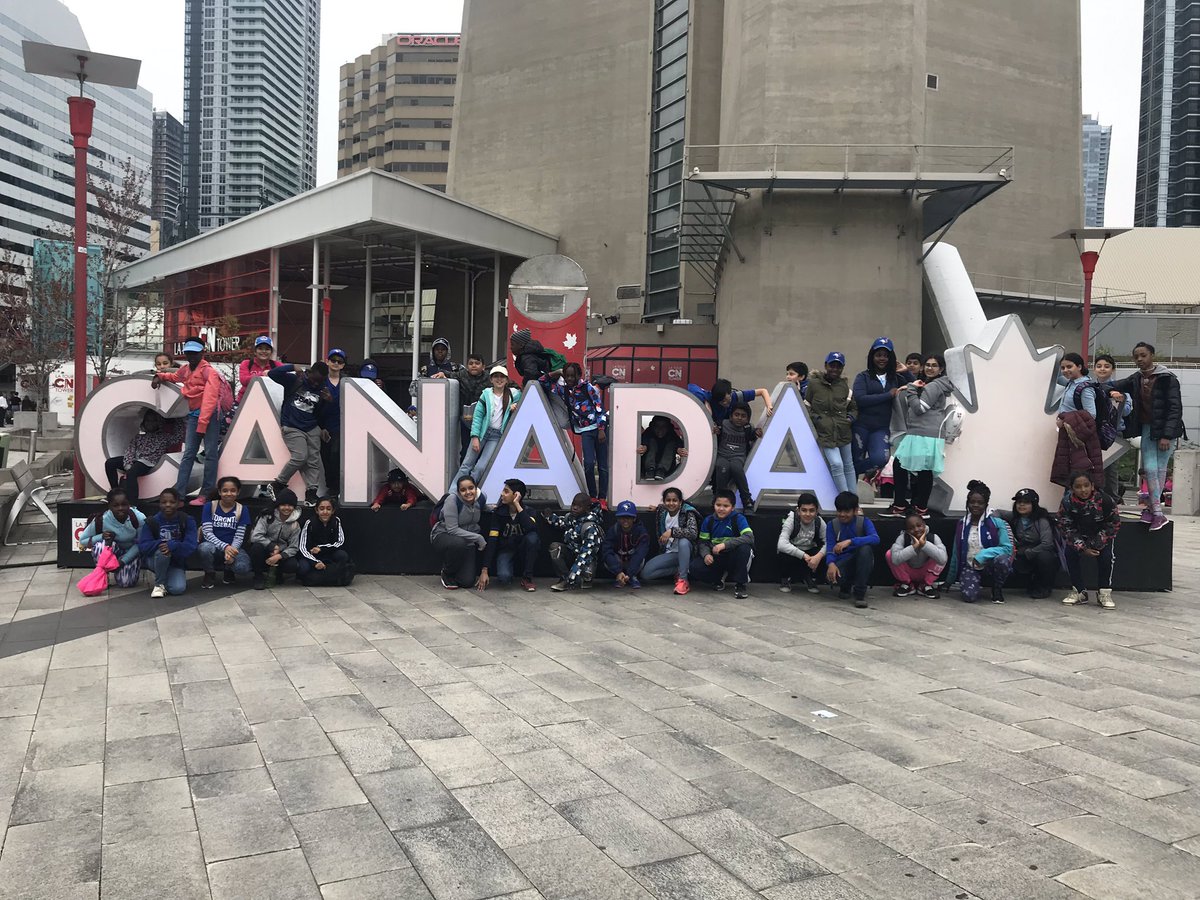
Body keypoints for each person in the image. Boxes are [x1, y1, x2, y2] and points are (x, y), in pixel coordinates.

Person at [1108, 342, 1184, 531]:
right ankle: (1156, 513)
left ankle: (1155, 511)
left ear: (1152, 355)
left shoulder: (1167, 378)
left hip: (1165, 431)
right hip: (1148, 429)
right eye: (1136, 357)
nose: (1140, 359)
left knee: (1159, 469)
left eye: (1143, 355)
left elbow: (1175, 408)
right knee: (1150, 469)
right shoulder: (1137, 378)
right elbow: (1115, 385)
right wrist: (1103, 388)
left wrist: (1166, 435)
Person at [152, 338, 225, 505]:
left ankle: (206, 493)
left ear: (202, 353)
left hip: (209, 417)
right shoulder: (186, 369)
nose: (191, 356)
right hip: (194, 415)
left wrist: (203, 423)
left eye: (195, 353)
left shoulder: (209, 372)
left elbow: (210, 399)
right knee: (189, 454)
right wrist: (159, 376)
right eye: (188, 353)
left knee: (210, 454)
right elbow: (174, 376)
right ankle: (179, 495)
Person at [887, 354, 953, 518]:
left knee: (917, 469)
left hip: (926, 433)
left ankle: (915, 507)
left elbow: (919, 408)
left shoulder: (935, 385)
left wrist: (910, 389)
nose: (930, 368)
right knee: (909, 466)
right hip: (919, 432)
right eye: (928, 365)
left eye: (934, 365)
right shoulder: (931, 383)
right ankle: (907, 505)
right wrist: (912, 385)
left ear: (941, 369)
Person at [268, 362, 331, 506]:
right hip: (292, 426)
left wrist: (328, 402)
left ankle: (311, 493)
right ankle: (278, 483)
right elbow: (273, 374)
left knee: (313, 461)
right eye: (314, 380)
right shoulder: (295, 380)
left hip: (312, 427)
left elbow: (321, 413)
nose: (315, 384)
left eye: (320, 381)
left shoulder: (323, 389)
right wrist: (291, 366)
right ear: (309, 373)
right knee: (300, 456)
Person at [546, 362, 609, 502]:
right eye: (567, 375)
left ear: (579, 375)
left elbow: (599, 407)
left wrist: (601, 429)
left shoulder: (587, 387)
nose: (569, 378)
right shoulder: (562, 390)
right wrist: (556, 373)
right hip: (586, 432)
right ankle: (593, 497)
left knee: (603, 466)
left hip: (599, 430)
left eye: (572, 376)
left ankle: (602, 498)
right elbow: (542, 382)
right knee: (588, 465)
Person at [945, 479, 1014, 604]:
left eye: (980, 502)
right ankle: (974, 583)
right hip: (971, 566)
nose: (975, 505)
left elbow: (1007, 549)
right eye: (972, 502)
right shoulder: (962, 524)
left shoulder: (998, 523)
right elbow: (956, 553)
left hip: (990, 565)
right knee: (969, 597)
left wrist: (983, 555)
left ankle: (996, 588)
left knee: (1002, 560)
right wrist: (949, 580)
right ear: (968, 504)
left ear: (986, 504)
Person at [1060, 470, 1120, 609]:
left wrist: (1096, 544)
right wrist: (1082, 547)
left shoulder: (1105, 500)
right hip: (1078, 537)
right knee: (1069, 553)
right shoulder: (1067, 502)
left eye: (1086, 485)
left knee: (1106, 557)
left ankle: (1104, 592)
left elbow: (1113, 523)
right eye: (1078, 487)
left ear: (1092, 486)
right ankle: (1079, 591)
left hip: (1101, 536)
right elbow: (1065, 525)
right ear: (1072, 488)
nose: (1083, 490)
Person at [851, 337, 909, 479]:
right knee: (855, 459)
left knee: (881, 459)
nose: (882, 359)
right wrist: (888, 395)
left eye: (885, 355)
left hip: (881, 428)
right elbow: (860, 399)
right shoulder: (863, 377)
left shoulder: (896, 378)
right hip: (861, 426)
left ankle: (850, 470)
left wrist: (906, 372)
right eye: (878, 355)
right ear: (872, 357)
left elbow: (918, 387)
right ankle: (849, 486)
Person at [104, 410, 186, 506]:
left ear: (159, 423)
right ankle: (115, 493)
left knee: (131, 473)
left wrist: (178, 419)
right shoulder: (139, 437)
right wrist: (128, 463)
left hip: (148, 462)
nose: (150, 423)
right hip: (134, 459)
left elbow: (178, 437)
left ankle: (132, 504)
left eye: (153, 421)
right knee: (110, 463)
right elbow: (130, 450)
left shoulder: (164, 437)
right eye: (147, 420)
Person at [457, 365, 520, 482]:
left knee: (481, 467)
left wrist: (515, 406)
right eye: (496, 376)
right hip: (482, 433)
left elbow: (523, 402)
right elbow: (478, 416)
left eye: (502, 377)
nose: (499, 379)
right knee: (466, 464)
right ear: (491, 379)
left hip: (496, 436)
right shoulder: (486, 394)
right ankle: (455, 490)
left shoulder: (514, 394)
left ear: (507, 380)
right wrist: (475, 437)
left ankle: (471, 488)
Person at [476, 478, 540, 592]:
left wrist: (517, 505)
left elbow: (531, 527)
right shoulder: (498, 513)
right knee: (504, 578)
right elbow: (492, 540)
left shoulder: (529, 511)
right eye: (503, 490)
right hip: (506, 549)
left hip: (523, 549)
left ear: (516, 495)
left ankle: (527, 578)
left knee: (533, 538)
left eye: (506, 491)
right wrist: (484, 570)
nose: (502, 494)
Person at [808, 352, 858, 494]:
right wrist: (817, 420)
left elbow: (853, 408)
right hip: (825, 432)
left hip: (843, 431)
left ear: (842, 368)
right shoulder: (814, 384)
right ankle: (846, 499)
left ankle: (853, 499)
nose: (835, 369)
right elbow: (806, 406)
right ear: (826, 365)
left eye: (838, 366)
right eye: (832, 365)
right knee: (836, 464)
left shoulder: (844, 386)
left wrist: (849, 419)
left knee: (848, 466)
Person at [690, 490, 755, 598]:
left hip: (734, 555)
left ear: (732, 507)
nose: (721, 509)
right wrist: (706, 554)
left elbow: (749, 537)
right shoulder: (708, 521)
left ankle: (740, 584)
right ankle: (718, 579)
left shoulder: (738, 518)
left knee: (744, 548)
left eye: (726, 506)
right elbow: (703, 542)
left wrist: (725, 545)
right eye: (718, 505)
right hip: (717, 556)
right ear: (714, 505)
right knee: (694, 567)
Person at [78, 489, 145, 589]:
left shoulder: (138, 518)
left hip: (130, 552)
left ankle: (125, 570)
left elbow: (141, 543)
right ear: (109, 506)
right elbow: (83, 541)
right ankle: (103, 576)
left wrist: (122, 561)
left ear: (129, 504)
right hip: (112, 550)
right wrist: (101, 536)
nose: (120, 508)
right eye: (116, 505)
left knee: (126, 583)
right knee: (100, 546)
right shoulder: (102, 520)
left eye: (124, 504)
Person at [137, 487, 199, 598]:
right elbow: (143, 546)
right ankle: (159, 585)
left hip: (176, 561)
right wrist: (161, 544)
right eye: (164, 502)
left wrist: (173, 546)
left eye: (172, 502)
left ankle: (165, 576)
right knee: (163, 551)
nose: (168, 505)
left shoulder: (187, 520)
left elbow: (191, 545)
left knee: (177, 589)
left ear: (178, 503)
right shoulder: (151, 521)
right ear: (159, 504)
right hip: (155, 559)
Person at [430, 475, 488, 589]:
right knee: (458, 543)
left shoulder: (481, 498)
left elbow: (482, 508)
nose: (468, 492)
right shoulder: (452, 500)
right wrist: (478, 538)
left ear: (476, 488)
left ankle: (457, 568)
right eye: (463, 490)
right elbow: (452, 529)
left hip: (468, 540)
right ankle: (447, 572)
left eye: (471, 488)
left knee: (467, 581)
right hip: (444, 535)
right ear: (458, 491)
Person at [825, 490, 880, 608]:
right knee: (833, 575)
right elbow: (830, 547)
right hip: (843, 561)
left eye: (846, 511)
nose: (842, 514)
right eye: (839, 511)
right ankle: (845, 586)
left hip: (862, 560)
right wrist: (831, 563)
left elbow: (875, 538)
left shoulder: (864, 522)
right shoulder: (832, 525)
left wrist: (851, 541)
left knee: (865, 550)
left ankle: (860, 593)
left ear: (855, 510)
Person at [642, 486, 701, 595]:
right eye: (668, 500)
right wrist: (657, 508)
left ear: (680, 502)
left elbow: (693, 533)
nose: (671, 503)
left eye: (675, 500)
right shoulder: (663, 512)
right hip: (671, 553)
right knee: (646, 573)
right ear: (664, 502)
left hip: (687, 552)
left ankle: (683, 580)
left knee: (683, 541)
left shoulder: (687, 512)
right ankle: (680, 569)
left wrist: (672, 531)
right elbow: (662, 508)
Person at [198, 475, 252, 588]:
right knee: (204, 548)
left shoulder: (242, 509)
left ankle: (229, 569)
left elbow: (239, 536)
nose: (229, 494)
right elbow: (207, 533)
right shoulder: (209, 506)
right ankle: (209, 573)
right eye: (225, 490)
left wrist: (231, 552)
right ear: (219, 492)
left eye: (233, 490)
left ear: (238, 492)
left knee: (243, 568)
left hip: (234, 548)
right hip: (213, 547)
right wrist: (225, 547)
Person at [1091, 353, 1132, 500]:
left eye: (1106, 366)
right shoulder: (1090, 387)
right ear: (1094, 369)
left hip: (1114, 433)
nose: (1102, 369)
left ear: (1113, 370)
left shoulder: (1121, 389)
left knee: (1110, 468)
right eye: (1099, 366)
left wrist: (1118, 402)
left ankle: (1111, 500)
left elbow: (1126, 411)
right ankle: (1095, 499)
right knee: (1093, 467)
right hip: (1093, 432)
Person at [1007, 488, 1060, 599]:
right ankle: (1031, 584)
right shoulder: (1016, 519)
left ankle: (1045, 587)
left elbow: (1047, 543)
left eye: (1026, 502)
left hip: (1041, 553)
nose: (1021, 505)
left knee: (1044, 557)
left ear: (1034, 505)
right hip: (1024, 552)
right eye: (1019, 502)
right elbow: (997, 513)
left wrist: (1030, 552)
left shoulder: (1041, 520)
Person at [546, 492, 604, 591]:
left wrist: (572, 577)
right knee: (555, 547)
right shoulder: (570, 518)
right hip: (572, 554)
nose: (575, 508)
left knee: (586, 569)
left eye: (579, 506)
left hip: (586, 560)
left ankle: (576, 580)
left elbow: (586, 555)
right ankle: (564, 578)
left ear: (587, 508)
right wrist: (549, 516)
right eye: (573, 504)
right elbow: (561, 522)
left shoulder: (590, 527)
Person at [435, 353, 490, 458]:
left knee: (482, 448)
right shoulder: (461, 375)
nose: (474, 366)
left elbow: (509, 384)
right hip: (466, 419)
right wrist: (442, 373)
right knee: (465, 447)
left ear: (483, 366)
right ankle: (464, 468)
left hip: (483, 419)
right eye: (471, 363)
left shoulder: (489, 378)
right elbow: (448, 374)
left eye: (477, 363)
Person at [248, 489, 302, 590]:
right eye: (283, 505)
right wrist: (271, 546)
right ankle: (258, 576)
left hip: (280, 553)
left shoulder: (295, 525)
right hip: (264, 549)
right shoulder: (267, 516)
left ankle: (278, 573)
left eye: (290, 505)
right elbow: (255, 536)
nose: (286, 508)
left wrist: (279, 556)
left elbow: (294, 547)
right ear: (278, 505)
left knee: (292, 565)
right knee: (256, 548)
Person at [886, 512, 947, 598]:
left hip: (925, 572)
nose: (916, 529)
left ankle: (925, 585)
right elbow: (895, 560)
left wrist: (925, 545)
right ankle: (907, 584)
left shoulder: (933, 538)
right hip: (908, 571)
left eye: (919, 525)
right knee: (889, 554)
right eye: (911, 528)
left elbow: (943, 559)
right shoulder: (902, 538)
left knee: (941, 555)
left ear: (924, 525)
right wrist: (913, 547)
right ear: (907, 530)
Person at [713, 400, 760, 509]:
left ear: (748, 418)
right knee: (722, 467)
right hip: (723, 455)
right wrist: (716, 430)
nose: (739, 418)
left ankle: (746, 499)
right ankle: (718, 498)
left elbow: (753, 434)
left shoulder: (748, 428)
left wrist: (757, 432)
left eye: (743, 416)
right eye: (736, 415)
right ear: (730, 416)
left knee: (736, 468)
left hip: (738, 457)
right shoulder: (723, 424)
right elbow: (715, 430)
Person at [776, 492, 825, 594]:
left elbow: (829, 541)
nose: (808, 514)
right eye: (804, 510)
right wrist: (803, 555)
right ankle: (785, 579)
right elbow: (781, 544)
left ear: (816, 511)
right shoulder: (791, 519)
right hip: (794, 552)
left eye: (812, 510)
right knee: (784, 553)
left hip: (810, 552)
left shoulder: (819, 521)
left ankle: (809, 578)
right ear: (798, 511)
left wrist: (818, 556)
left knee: (824, 554)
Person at [297, 497, 354, 586]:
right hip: (311, 556)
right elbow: (302, 548)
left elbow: (340, 542)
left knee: (342, 555)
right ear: (317, 510)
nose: (325, 512)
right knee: (303, 568)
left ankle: (330, 576)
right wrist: (315, 562)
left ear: (333, 511)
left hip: (328, 553)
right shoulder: (310, 523)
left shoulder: (336, 521)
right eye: (322, 509)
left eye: (328, 509)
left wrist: (321, 548)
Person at [602, 500, 650, 588]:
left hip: (633, 562)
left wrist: (630, 574)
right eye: (622, 517)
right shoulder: (613, 530)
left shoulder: (641, 532)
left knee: (641, 559)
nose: (625, 520)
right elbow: (606, 551)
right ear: (618, 518)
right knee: (607, 559)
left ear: (634, 518)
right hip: (618, 562)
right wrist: (618, 572)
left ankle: (632, 577)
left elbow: (640, 553)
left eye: (629, 517)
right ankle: (619, 577)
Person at [690, 379, 775, 426]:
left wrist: (769, 405)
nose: (726, 403)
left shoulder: (736, 396)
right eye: (722, 402)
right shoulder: (710, 397)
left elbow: (762, 391)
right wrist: (705, 401)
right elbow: (691, 387)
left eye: (728, 400)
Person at [321, 348, 348, 497]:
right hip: (325, 425)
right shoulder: (321, 380)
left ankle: (337, 487)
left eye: (339, 361)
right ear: (327, 362)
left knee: (336, 454)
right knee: (326, 457)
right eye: (333, 360)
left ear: (343, 365)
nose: (336, 363)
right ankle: (330, 487)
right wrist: (321, 427)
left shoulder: (347, 381)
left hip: (342, 425)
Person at [639, 415, 686, 481]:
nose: (660, 429)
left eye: (664, 426)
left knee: (671, 444)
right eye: (657, 426)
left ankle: (661, 470)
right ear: (653, 427)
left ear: (668, 428)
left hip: (666, 470)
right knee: (652, 442)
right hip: (647, 468)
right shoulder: (649, 432)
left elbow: (677, 442)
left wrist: (679, 449)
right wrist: (644, 447)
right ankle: (650, 470)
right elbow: (644, 439)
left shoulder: (671, 434)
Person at [237, 335, 279, 402]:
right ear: (255, 351)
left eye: (267, 349)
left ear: (271, 352)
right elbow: (244, 381)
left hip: (270, 402)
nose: (264, 351)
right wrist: (263, 374)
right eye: (260, 348)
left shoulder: (277, 365)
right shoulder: (246, 363)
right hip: (245, 401)